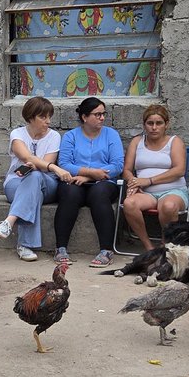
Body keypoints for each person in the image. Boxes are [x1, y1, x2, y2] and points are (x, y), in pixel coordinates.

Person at [0, 96, 66, 262]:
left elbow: (46, 162)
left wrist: (44, 166)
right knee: (34, 191)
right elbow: (25, 156)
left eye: (49, 117)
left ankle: (9, 223)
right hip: (15, 183)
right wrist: (53, 168)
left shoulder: (54, 136)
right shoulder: (17, 134)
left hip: (47, 183)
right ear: (31, 117)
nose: (48, 121)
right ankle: (24, 245)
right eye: (43, 117)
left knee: (36, 175)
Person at [53, 97, 123, 268]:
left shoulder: (111, 135)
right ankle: (60, 248)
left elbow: (117, 165)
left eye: (103, 114)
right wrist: (90, 172)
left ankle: (106, 250)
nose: (102, 118)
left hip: (104, 182)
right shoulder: (71, 136)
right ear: (84, 117)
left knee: (99, 195)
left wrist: (90, 177)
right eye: (97, 114)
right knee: (70, 194)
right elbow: (64, 163)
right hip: (75, 181)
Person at [120, 103, 189, 251]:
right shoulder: (137, 142)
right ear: (144, 125)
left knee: (168, 206)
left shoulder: (174, 141)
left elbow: (179, 170)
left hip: (173, 191)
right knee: (129, 203)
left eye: (159, 123)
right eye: (150, 123)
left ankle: (166, 246)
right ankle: (149, 248)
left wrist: (149, 180)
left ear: (166, 125)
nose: (154, 127)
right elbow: (126, 170)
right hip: (146, 193)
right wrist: (134, 183)